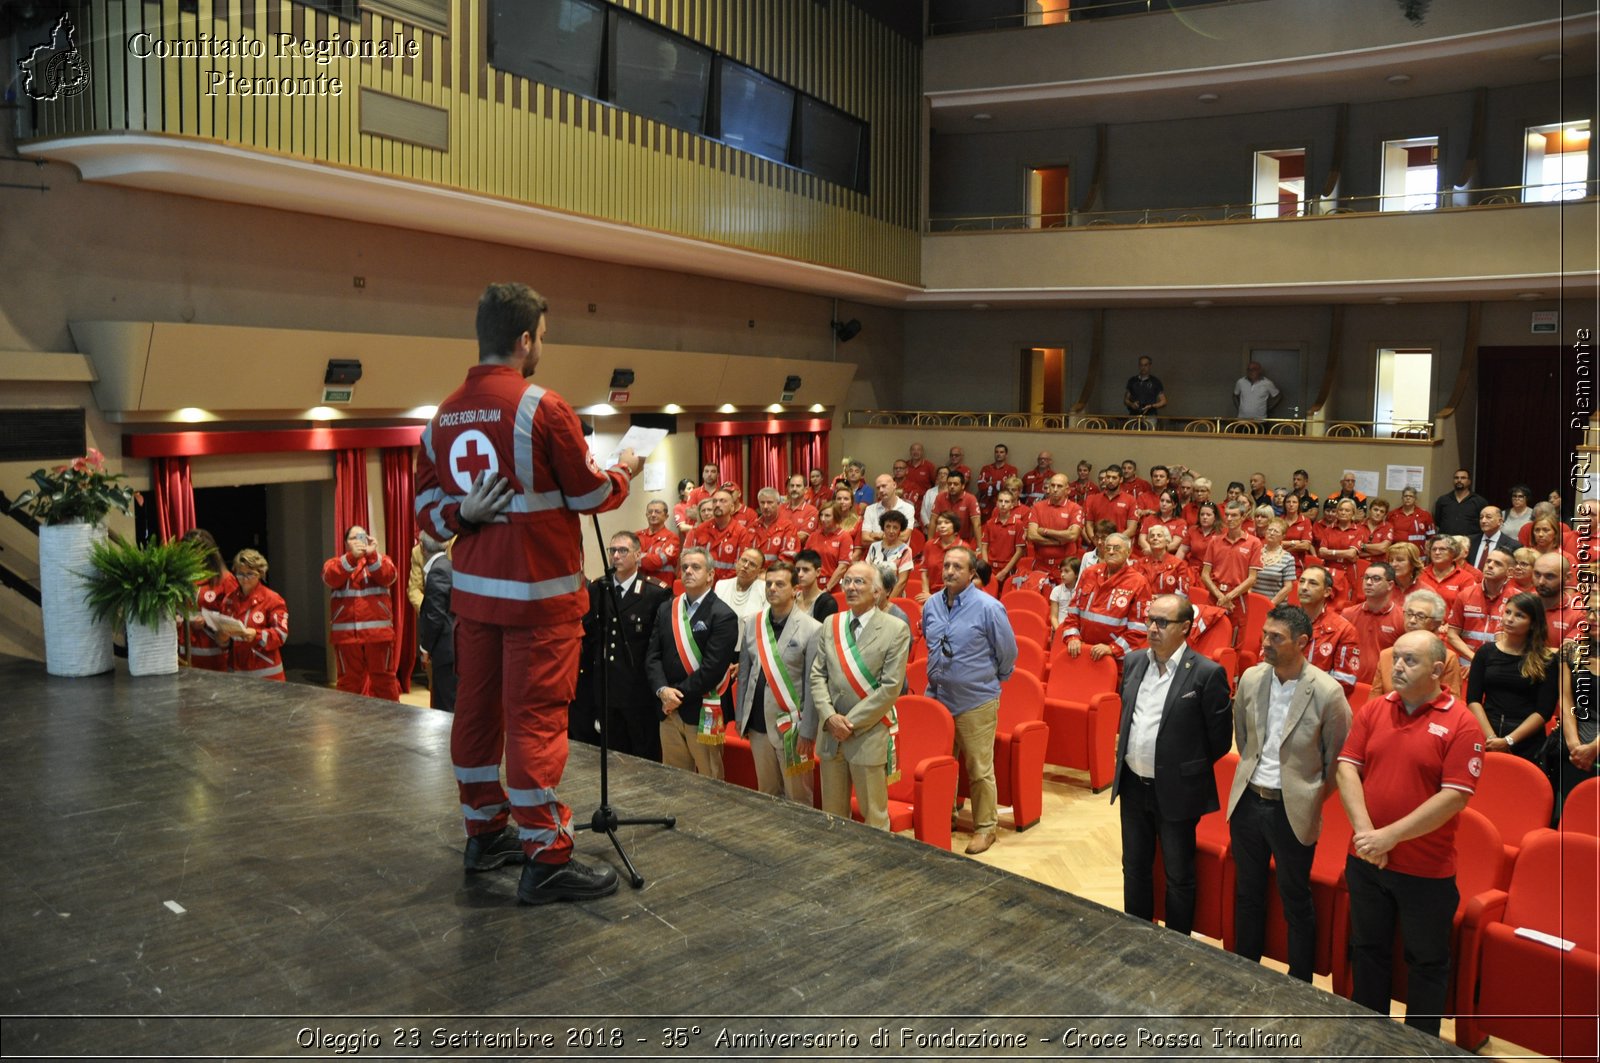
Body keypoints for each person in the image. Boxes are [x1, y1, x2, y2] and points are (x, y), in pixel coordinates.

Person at [413, 281, 639, 905]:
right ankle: (545, 855)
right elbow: (591, 495)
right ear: (523, 339)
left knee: (478, 717)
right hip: (539, 603)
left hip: (474, 603)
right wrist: (626, 472)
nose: (542, 345)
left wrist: (463, 514)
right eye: (541, 335)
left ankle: (485, 833)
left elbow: (428, 516)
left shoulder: (442, 415)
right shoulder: (544, 407)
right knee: (536, 722)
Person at [1337, 629, 1484, 1037]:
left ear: (1438, 670)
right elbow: (1347, 767)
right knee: (1367, 951)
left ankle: (1419, 1045)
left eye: (1410, 660)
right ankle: (1368, 1036)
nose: (1397, 666)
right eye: (1396, 658)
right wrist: (1368, 835)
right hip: (1367, 859)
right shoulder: (1374, 710)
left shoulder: (1462, 724)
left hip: (1424, 871)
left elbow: (1454, 797)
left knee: (1426, 964)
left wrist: (1390, 838)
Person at [1228, 604, 1352, 982]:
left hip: (1292, 810)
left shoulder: (1328, 692)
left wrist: (1309, 796)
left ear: (1301, 642)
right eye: (1265, 634)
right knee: (1247, 892)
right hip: (1249, 801)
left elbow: (1339, 760)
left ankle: (1300, 982)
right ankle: (1246, 969)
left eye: (1275, 637)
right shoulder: (1251, 678)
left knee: (1295, 898)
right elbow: (1244, 736)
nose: (1265, 642)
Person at [1111, 593, 1233, 935]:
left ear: (1185, 628)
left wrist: (1183, 767)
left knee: (1178, 875)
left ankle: (1178, 943)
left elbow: (1220, 740)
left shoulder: (1207, 674)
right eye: (1150, 619)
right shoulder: (1134, 662)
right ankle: (1136, 932)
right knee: (1134, 867)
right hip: (1133, 785)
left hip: (1178, 790)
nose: (1152, 627)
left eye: (1162, 622)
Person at [922, 545, 1018, 855]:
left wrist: (987, 679)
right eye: (946, 565)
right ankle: (945, 816)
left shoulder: (989, 608)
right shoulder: (932, 605)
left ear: (972, 573)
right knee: (941, 764)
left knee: (979, 768)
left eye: (957, 567)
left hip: (975, 700)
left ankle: (985, 828)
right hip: (937, 699)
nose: (949, 571)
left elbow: (1008, 653)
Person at [810, 560, 912, 831]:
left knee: (874, 816)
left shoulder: (895, 628)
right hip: (831, 734)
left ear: (877, 592)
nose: (851, 588)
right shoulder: (832, 623)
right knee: (832, 815)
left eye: (859, 582)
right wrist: (830, 717)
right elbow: (817, 676)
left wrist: (849, 723)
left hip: (867, 734)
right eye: (848, 581)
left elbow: (890, 688)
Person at [570, 531, 669, 760]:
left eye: (622, 550)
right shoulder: (598, 589)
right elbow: (590, 637)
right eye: (612, 550)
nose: (616, 555)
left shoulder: (655, 593)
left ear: (638, 554)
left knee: (644, 754)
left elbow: (657, 646)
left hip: (638, 689)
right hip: (606, 687)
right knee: (613, 755)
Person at [646, 546, 738, 780]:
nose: (688, 571)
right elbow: (652, 656)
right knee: (673, 780)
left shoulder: (723, 614)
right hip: (668, 711)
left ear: (710, 575)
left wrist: (675, 696)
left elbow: (712, 670)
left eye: (695, 567)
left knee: (709, 781)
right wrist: (662, 690)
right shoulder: (667, 608)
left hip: (702, 709)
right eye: (684, 567)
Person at [735, 560, 822, 805]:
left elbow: (813, 683)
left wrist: (808, 731)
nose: (772, 588)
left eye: (780, 584)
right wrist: (741, 714)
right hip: (757, 723)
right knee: (767, 793)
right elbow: (744, 673)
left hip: (792, 726)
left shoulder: (813, 628)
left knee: (798, 796)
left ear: (795, 589)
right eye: (769, 583)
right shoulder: (753, 623)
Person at [1465, 592, 1558, 765]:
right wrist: (1492, 738)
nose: (1509, 619)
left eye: (1519, 615)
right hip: (1487, 732)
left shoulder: (1547, 660)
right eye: (1507, 612)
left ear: (1532, 623)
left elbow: (1543, 712)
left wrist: (1508, 741)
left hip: (1525, 739)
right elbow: (1473, 700)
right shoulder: (1486, 652)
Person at [321, 525, 401, 700]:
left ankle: (392, 721)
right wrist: (351, 559)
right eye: (353, 538)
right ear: (346, 543)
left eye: (362, 536)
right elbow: (329, 577)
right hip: (347, 637)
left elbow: (389, 576)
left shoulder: (381, 560)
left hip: (378, 637)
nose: (358, 541)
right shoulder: (336, 563)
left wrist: (372, 556)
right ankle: (350, 724)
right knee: (348, 683)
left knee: (384, 681)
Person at [1060, 533, 1150, 661]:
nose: (1111, 552)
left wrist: (1112, 649)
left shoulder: (1138, 582)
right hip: (1081, 651)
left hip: (1114, 659)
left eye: (1117, 548)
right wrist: (1073, 637)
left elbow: (1139, 630)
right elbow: (1073, 612)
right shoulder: (1089, 573)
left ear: (1128, 552)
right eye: (1108, 548)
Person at [1372, 590, 1463, 699]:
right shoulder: (1386, 655)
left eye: (1420, 616)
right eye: (1409, 614)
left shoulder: (1447, 658)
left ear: (1436, 623)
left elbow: (1451, 703)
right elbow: (1373, 703)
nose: (1412, 620)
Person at [1556, 605, 1600, 818]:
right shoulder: (1570, 650)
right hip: (1572, 739)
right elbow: (1565, 699)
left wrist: (1593, 748)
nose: (1593, 618)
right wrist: (1574, 744)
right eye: (1590, 611)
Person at [220, 548, 289, 681]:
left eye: (250, 574)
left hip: (266, 673)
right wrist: (222, 637)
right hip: (236, 671)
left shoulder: (273, 599)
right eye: (240, 574)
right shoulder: (229, 599)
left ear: (260, 573)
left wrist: (256, 635)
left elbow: (281, 634)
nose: (244, 579)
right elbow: (223, 641)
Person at [1297, 565, 1361, 697]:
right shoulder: (1282, 621)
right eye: (1302, 581)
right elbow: (1265, 663)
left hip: (1319, 705)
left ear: (1327, 592)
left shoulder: (1344, 630)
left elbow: (1345, 683)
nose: (1304, 587)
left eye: (1312, 583)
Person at [179, 528, 237, 672]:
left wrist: (206, 620)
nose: (193, 556)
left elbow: (234, 616)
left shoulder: (225, 580)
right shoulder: (180, 577)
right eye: (188, 551)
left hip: (215, 655)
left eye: (197, 551)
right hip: (183, 654)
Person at [1444, 547, 1514, 662]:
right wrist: (1476, 660)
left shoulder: (1516, 599)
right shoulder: (1465, 595)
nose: (1490, 565)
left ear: (1510, 572)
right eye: (1488, 561)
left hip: (1501, 662)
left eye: (1498, 564)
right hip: (1467, 661)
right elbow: (1452, 635)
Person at [1201, 499, 1261, 630]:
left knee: (1235, 640)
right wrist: (1221, 596)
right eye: (1227, 514)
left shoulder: (1253, 543)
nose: (1229, 518)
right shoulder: (1215, 541)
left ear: (1243, 517)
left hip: (1238, 598)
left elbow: (1252, 578)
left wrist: (1228, 597)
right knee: (1210, 636)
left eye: (1234, 515)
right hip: (1215, 596)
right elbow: (1205, 574)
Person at [415, 532, 458, 712]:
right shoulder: (449, 566)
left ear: (422, 548)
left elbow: (435, 616)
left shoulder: (438, 571)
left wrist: (425, 647)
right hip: (453, 647)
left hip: (445, 649)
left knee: (446, 704)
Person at [1343, 562, 1405, 685]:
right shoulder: (1347, 614)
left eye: (1376, 579)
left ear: (1390, 585)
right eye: (1366, 578)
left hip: (1384, 687)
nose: (1369, 582)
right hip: (1349, 684)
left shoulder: (1403, 618)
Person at [685, 488, 754, 582]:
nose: (717, 504)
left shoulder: (741, 532)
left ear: (732, 507)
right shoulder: (701, 529)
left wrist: (721, 584)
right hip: (702, 583)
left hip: (727, 586)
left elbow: (741, 565)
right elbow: (691, 558)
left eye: (723, 501)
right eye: (715, 501)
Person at [715, 546, 769, 650]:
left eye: (752, 564)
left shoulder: (765, 589)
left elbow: (765, 627)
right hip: (720, 647)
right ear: (737, 562)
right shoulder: (721, 585)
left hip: (750, 650)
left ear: (760, 571)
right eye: (743, 560)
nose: (745, 566)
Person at [982, 488, 1029, 593]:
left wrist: (1005, 571)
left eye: (1006, 501)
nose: (1003, 504)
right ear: (997, 503)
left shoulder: (1018, 524)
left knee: (1006, 598)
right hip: (991, 568)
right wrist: (986, 568)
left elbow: (1019, 551)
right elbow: (984, 548)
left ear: (1012, 505)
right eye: (1000, 501)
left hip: (1009, 569)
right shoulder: (989, 523)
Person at [864, 510, 914, 598]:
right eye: (888, 526)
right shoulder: (874, 547)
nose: (891, 531)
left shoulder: (905, 550)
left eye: (895, 527)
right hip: (872, 596)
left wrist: (887, 603)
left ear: (900, 530)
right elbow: (866, 572)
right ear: (883, 528)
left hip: (894, 597)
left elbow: (902, 582)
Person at [1083, 465, 1138, 545]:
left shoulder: (1130, 500)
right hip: (1098, 545)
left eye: (1114, 478)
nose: (1110, 480)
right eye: (1108, 477)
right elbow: (1089, 525)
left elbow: (1131, 529)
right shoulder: (1093, 499)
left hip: (1119, 545)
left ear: (1121, 479)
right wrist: (1096, 540)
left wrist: (1113, 542)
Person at [811, 501, 857, 593]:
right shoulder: (813, 536)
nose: (823, 519)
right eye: (821, 515)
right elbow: (806, 561)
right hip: (813, 584)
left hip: (833, 587)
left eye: (827, 516)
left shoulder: (844, 537)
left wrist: (827, 589)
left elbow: (842, 568)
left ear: (836, 517)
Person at [930, 469, 983, 548]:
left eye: (955, 484)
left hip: (963, 541)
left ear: (963, 486)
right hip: (943, 540)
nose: (952, 486)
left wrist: (979, 547)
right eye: (949, 484)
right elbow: (933, 521)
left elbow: (976, 524)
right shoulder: (940, 497)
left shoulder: (971, 499)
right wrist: (929, 543)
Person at [860, 473, 916, 546]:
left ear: (894, 485)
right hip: (876, 556)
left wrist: (878, 535)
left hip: (899, 555)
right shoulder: (870, 509)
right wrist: (892, 538)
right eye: (878, 488)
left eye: (884, 486)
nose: (881, 490)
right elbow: (865, 540)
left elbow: (904, 537)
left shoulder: (908, 508)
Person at [1432, 468, 1489, 538]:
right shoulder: (1443, 500)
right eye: (1456, 478)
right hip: (1446, 541)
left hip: (1470, 542)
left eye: (1463, 478)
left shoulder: (1480, 501)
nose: (1459, 480)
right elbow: (1437, 521)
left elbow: (1484, 523)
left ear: (1469, 481)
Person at [1254, 517, 1297, 607]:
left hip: (1275, 607)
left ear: (1283, 536)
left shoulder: (1288, 558)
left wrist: (1269, 604)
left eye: (1276, 531)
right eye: (1270, 530)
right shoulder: (1255, 553)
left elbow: (1288, 587)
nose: (1272, 533)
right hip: (1254, 603)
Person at [637, 499, 681, 588]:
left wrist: (636, 557)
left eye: (657, 512)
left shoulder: (672, 538)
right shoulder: (636, 536)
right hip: (639, 585)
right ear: (646, 515)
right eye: (650, 512)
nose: (653, 515)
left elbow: (658, 562)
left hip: (661, 587)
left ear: (666, 516)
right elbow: (627, 559)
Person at [793, 549, 841, 623]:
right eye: (798, 570)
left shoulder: (827, 603)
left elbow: (825, 633)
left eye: (805, 570)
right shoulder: (792, 598)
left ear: (818, 572)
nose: (800, 574)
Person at [975, 443, 1018, 519]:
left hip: (1004, 504)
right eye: (996, 452)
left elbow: (1010, 487)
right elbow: (981, 486)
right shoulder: (986, 468)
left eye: (1001, 452)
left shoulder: (1012, 469)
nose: (998, 454)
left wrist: (991, 484)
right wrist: (1000, 483)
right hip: (987, 504)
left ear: (1006, 454)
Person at [1467, 506, 1510, 570]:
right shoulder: (1470, 541)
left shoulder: (1511, 544)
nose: (1483, 521)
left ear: (1500, 521)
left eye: (1488, 517)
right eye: (1481, 517)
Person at [781, 473, 819, 546]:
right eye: (792, 486)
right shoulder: (779, 508)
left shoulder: (812, 511)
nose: (794, 489)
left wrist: (778, 536)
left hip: (799, 554)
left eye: (798, 486)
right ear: (788, 489)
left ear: (805, 490)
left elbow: (802, 537)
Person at [1048, 556, 1082, 630]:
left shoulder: (1081, 591)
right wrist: (1059, 631)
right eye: (1061, 571)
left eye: (1066, 571)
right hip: (1059, 628)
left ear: (1076, 574)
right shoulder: (1056, 590)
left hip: (1076, 630)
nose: (1062, 574)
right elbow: (1053, 617)